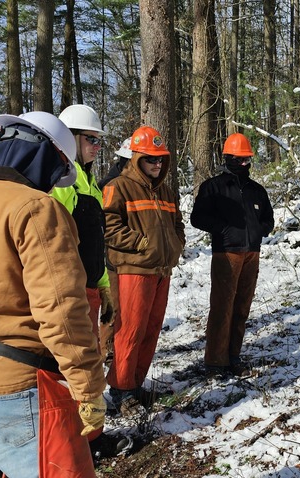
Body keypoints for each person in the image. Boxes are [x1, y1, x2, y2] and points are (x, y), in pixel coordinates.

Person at [0, 111, 110, 477]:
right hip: (18, 390)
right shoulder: (36, 208)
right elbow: (61, 308)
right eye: (55, 174)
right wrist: (88, 386)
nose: (52, 186)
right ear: (46, 158)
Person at [101, 125, 185, 413]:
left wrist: (175, 246)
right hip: (133, 270)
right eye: (151, 159)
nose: (157, 164)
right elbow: (109, 227)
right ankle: (121, 388)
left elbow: (177, 224)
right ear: (137, 158)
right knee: (130, 330)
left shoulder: (165, 191)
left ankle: (135, 383)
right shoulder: (118, 187)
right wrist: (142, 244)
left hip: (161, 270)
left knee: (151, 330)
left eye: (160, 159)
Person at [190, 132, 274, 377]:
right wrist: (224, 229)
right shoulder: (213, 187)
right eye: (240, 159)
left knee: (242, 307)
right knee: (222, 307)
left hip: (252, 254)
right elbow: (197, 218)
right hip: (226, 254)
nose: (245, 163)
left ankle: (233, 356)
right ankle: (216, 361)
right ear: (228, 158)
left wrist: (260, 230)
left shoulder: (257, 190)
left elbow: (268, 218)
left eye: (247, 159)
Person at [51, 105, 117, 360]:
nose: (97, 147)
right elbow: (53, 242)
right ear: (70, 137)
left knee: (89, 360)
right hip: (70, 293)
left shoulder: (90, 184)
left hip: (89, 289)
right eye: (91, 139)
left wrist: (104, 286)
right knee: (71, 363)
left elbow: (95, 241)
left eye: (99, 141)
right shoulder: (61, 181)